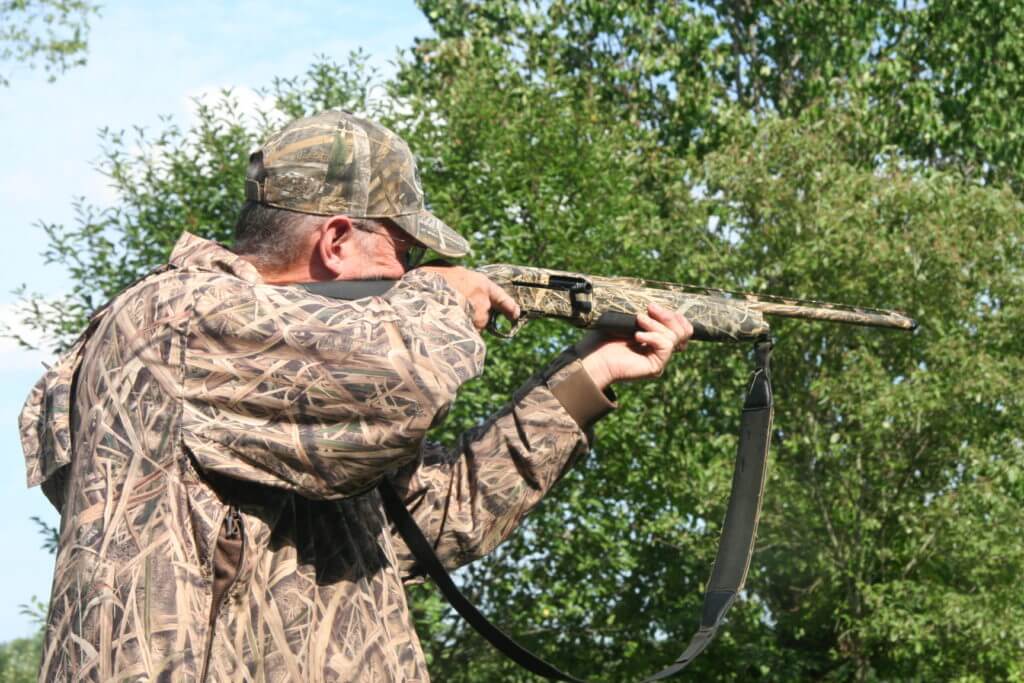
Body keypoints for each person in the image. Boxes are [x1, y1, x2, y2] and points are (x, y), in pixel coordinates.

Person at [19, 110, 692, 681]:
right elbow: (400, 375)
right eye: (403, 251)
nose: (410, 274)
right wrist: (446, 295)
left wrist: (589, 374)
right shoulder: (176, 318)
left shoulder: (299, 402)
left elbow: (427, 523)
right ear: (338, 240)